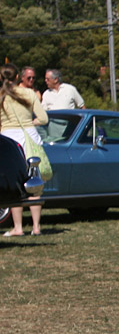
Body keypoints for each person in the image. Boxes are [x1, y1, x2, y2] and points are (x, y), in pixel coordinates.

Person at [0, 63, 48, 236]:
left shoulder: (1, 95)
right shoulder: (29, 93)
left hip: (9, 140)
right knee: (34, 184)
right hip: (31, 138)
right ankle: (36, 227)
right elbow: (43, 118)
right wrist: (28, 124)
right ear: (18, 77)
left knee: (15, 186)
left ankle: (18, 227)